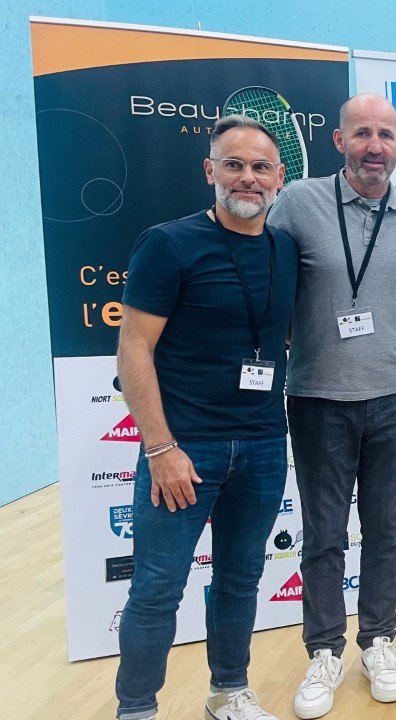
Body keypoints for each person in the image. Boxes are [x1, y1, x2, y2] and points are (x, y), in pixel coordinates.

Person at [266, 93, 396, 719]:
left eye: (387, 134)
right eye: (363, 134)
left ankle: (378, 640)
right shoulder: (296, 204)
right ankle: (324, 651)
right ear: (339, 142)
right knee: (322, 537)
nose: (376, 145)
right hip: (318, 399)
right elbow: (260, 275)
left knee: (383, 533)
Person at [114, 114, 297, 720]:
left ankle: (229, 692)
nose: (248, 178)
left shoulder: (287, 249)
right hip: (185, 448)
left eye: (261, 167)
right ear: (210, 171)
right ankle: (136, 708)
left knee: (240, 580)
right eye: (235, 165)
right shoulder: (169, 244)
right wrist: (161, 448)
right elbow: (134, 347)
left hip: (265, 444)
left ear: (279, 178)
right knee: (157, 589)